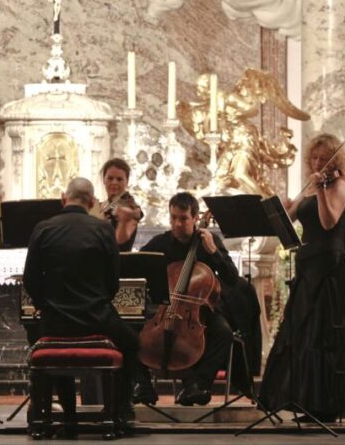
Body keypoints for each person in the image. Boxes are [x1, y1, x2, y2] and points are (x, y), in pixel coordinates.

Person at [259, 133, 345, 422]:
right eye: (314, 158)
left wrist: (319, 191)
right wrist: (283, 206)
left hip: (329, 266)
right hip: (309, 263)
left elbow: (328, 221)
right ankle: (306, 399)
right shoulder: (312, 185)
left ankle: (327, 404)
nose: (318, 162)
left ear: (336, 160)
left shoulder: (341, 186)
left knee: (323, 332)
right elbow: (288, 222)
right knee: (303, 331)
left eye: (323, 157)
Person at [23, 177, 139, 431]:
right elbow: (112, 283)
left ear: (64, 199)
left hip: (54, 321)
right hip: (95, 318)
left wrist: (46, 305)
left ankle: (69, 415)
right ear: (91, 202)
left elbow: (30, 280)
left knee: (45, 343)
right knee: (132, 343)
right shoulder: (102, 229)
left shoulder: (43, 228)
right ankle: (119, 412)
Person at [137, 192, 240, 406]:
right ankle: (144, 387)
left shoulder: (209, 242)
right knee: (129, 329)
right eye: (173, 218)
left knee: (224, 333)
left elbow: (232, 278)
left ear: (195, 218)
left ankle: (197, 384)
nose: (177, 224)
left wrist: (213, 252)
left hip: (200, 312)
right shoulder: (160, 243)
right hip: (163, 308)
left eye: (183, 219)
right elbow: (137, 266)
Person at [94, 158, 143, 252]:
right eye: (110, 178)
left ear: (127, 181)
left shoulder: (131, 207)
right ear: (104, 180)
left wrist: (123, 222)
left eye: (119, 179)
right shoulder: (101, 205)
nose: (114, 182)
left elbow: (120, 243)